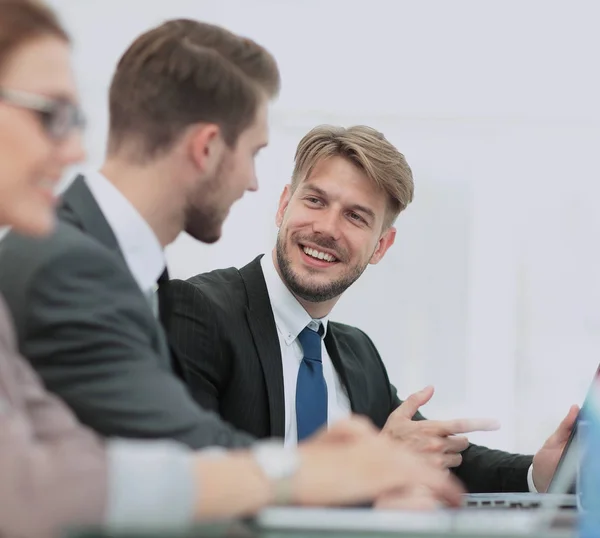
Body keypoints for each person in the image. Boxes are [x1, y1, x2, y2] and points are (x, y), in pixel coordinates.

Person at [0, 4, 463, 534]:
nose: (251, 182)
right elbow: (175, 455)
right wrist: (323, 476)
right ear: (207, 148)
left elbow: (81, 472)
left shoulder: (108, 268)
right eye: (253, 153)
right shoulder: (72, 266)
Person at [167, 124, 579, 494]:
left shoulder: (356, 353)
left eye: (355, 217)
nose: (327, 228)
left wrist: (538, 474)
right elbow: (194, 476)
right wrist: (371, 463)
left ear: (381, 246)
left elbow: (437, 454)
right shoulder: (200, 311)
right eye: (314, 200)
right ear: (282, 207)